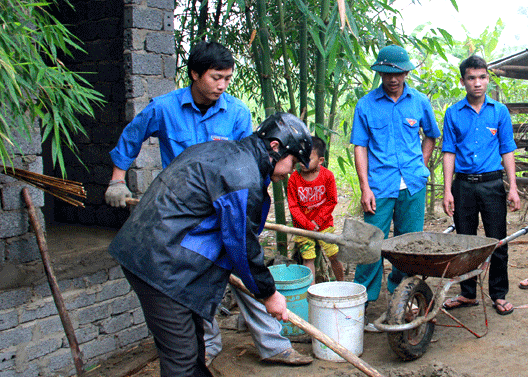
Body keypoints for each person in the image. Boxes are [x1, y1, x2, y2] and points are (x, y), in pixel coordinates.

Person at [105, 41, 311, 366]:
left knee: (196, 340)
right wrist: (117, 179)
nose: (222, 85)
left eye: (228, 78)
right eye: (216, 77)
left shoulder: (238, 120)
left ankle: (268, 344)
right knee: (185, 356)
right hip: (171, 245)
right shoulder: (166, 109)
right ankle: (213, 348)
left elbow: (246, 181)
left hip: (198, 227)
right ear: (195, 74)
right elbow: (240, 242)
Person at [349, 45, 440, 330]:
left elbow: (431, 136)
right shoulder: (366, 105)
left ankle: (403, 297)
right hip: (379, 185)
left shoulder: (419, 101)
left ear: (406, 72)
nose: (393, 79)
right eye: (387, 73)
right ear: (379, 73)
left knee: (409, 245)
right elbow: (360, 147)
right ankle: (360, 303)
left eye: (398, 73)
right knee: (370, 244)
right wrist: (365, 188)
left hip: (412, 184)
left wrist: (421, 165)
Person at [442, 55, 521, 315]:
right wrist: (447, 191)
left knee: (497, 241)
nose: (478, 83)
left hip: (492, 185)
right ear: (463, 81)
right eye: (472, 78)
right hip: (463, 186)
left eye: (482, 77)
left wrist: (511, 187)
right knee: (465, 242)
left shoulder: (498, 112)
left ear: (488, 79)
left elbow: (507, 149)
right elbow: (449, 153)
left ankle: (499, 294)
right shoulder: (453, 113)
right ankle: (468, 293)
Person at [287, 136, 344, 284]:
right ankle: (311, 292)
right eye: (301, 157)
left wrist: (318, 221)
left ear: (320, 160)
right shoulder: (294, 179)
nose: (302, 162)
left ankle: (342, 284)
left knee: (334, 255)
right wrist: (308, 225)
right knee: (308, 258)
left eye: (308, 158)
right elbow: (293, 207)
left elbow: (331, 201)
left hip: (324, 224)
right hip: (302, 227)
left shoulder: (327, 176)